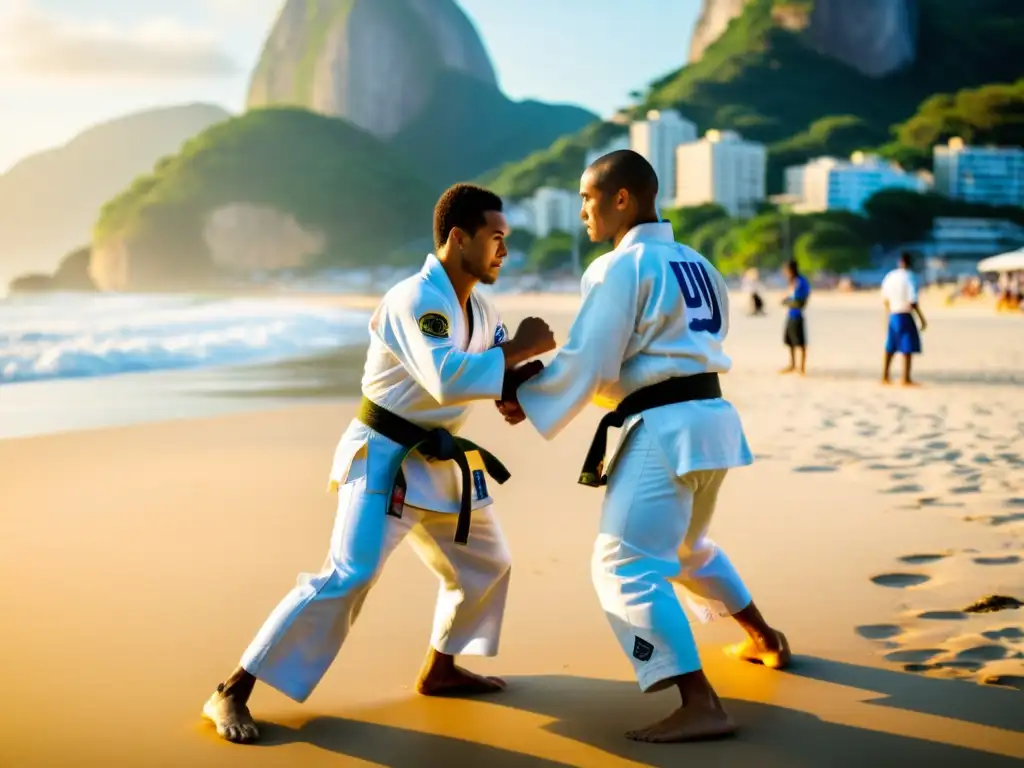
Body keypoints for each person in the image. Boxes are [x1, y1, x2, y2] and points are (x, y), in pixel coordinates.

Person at [202, 183, 555, 744]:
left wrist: (519, 389)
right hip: (384, 458)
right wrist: (525, 346)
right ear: (458, 238)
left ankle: (441, 669)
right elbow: (447, 378)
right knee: (350, 573)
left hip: (440, 463)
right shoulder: (414, 299)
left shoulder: (481, 309)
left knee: (487, 564)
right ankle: (232, 689)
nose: (503, 251)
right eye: (495, 238)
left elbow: (494, 373)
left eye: (505, 239)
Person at [497, 150, 789, 744]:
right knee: (685, 546)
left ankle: (699, 701)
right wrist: (543, 391)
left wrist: (526, 393)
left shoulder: (618, 268)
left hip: (664, 431)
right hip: (712, 422)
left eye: (588, 197)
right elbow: (664, 359)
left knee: (624, 563)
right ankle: (765, 639)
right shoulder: (698, 263)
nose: (582, 209)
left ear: (622, 198)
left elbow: (593, 361)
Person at [881, 251, 926, 386]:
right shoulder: (910, 277)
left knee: (890, 346)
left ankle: (885, 376)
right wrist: (921, 318)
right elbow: (913, 300)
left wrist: (887, 313)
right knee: (907, 347)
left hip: (893, 313)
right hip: (905, 313)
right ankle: (905, 378)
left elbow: (885, 297)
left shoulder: (891, 276)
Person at [780, 260, 810, 374]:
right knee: (790, 341)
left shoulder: (800, 282)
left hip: (797, 315)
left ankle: (801, 368)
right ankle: (792, 365)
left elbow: (800, 300)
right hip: (791, 314)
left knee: (800, 343)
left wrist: (786, 302)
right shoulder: (793, 281)